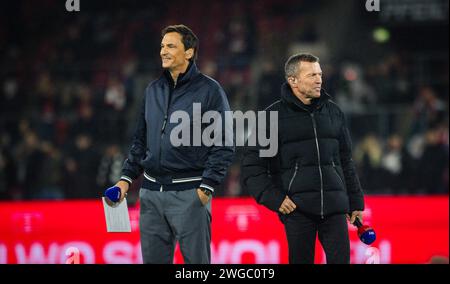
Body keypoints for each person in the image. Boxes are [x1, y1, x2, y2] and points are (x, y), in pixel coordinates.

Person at [113, 25, 235, 264]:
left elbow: (223, 142)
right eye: (162, 46)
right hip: (150, 195)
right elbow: (140, 140)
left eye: (171, 46)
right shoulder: (152, 90)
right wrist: (126, 178)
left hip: (190, 193)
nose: (163, 51)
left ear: (189, 52)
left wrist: (207, 187)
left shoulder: (210, 90)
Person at [241, 53, 365, 264]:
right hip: (298, 210)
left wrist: (355, 202)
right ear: (293, 81)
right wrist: (275, 198)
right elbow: (252, 167)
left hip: (335, 208)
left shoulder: (334, 112)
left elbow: (346, 161)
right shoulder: (270, 118)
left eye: (320, 74)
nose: (319, 80)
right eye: (312, 75)